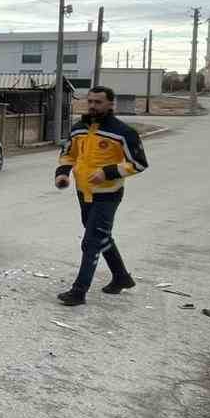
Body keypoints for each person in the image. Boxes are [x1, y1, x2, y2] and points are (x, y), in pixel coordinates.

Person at [54, 86, 149, 306]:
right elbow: (68, 154)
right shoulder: (78, 129)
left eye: (98, 102)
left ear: (110, 104)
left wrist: (108, 172)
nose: (93, 106)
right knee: (101, 236)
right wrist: (62, 174)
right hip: (83, 193)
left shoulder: (123, 132)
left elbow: (139, 163)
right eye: (90, 101)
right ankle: (121, 277)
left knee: (91, 241)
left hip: (108, 194)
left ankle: (79, 291)